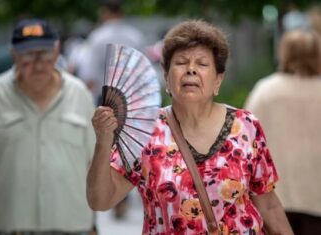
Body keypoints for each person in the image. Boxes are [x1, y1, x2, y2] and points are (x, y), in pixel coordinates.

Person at [87, 20, 293, 234]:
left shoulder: (246, 126)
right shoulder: (146, 130)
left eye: (202, 64)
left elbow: (268, 204)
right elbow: (100, 201)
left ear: (218, 81)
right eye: (181, 62)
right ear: (167, 77)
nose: (191, 70)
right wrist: (103, 140)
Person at [0, 19, 95, 234]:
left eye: (45, 53)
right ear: (14, 55)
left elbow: (92, 162)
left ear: (57, 50)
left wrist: (93, 223)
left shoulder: (79, 94)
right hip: (10, 225)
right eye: (29, 55)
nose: (39, 63)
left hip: (72, 225)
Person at [245, 29, 321, 235]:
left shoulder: (265, 91)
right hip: (316, 198)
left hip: (275, 199)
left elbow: (245, 140)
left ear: (284, 53)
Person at [83, 0, 146, 104]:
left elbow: (90, 74)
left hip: (106, 97)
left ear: (104, 12)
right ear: (122, 12)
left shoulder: (97, 37)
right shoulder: (136, 37)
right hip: (132, 97)